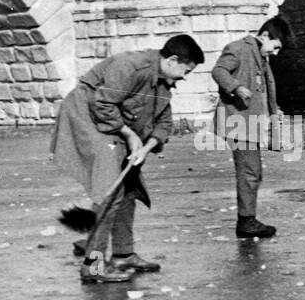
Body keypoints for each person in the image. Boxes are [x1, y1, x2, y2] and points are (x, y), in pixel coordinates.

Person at [50, 34, 204, 283]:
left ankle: (123, 254)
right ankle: (94, 267)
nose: (184, 77)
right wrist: (131, 136)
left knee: (130, 184)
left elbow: (164, 123)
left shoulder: (163, 82)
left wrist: (146, 147)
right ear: (173, 60)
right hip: (87, 117)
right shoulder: (131, 66)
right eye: (185, 71)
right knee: (109, 192)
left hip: (116, 124)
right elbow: (102, 104)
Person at [211, 16, 291, 239]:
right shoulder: (238, 48)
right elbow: (219, 71)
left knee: (253, 171)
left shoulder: (260, 56)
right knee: (249, 171)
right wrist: (235, 87)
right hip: (237, 120)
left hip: (250, 121)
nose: (275, 53)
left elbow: (262, 89)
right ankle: (246, 221)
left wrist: (274, 110)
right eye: (275, 46)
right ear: (265, 36)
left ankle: (247, 218)